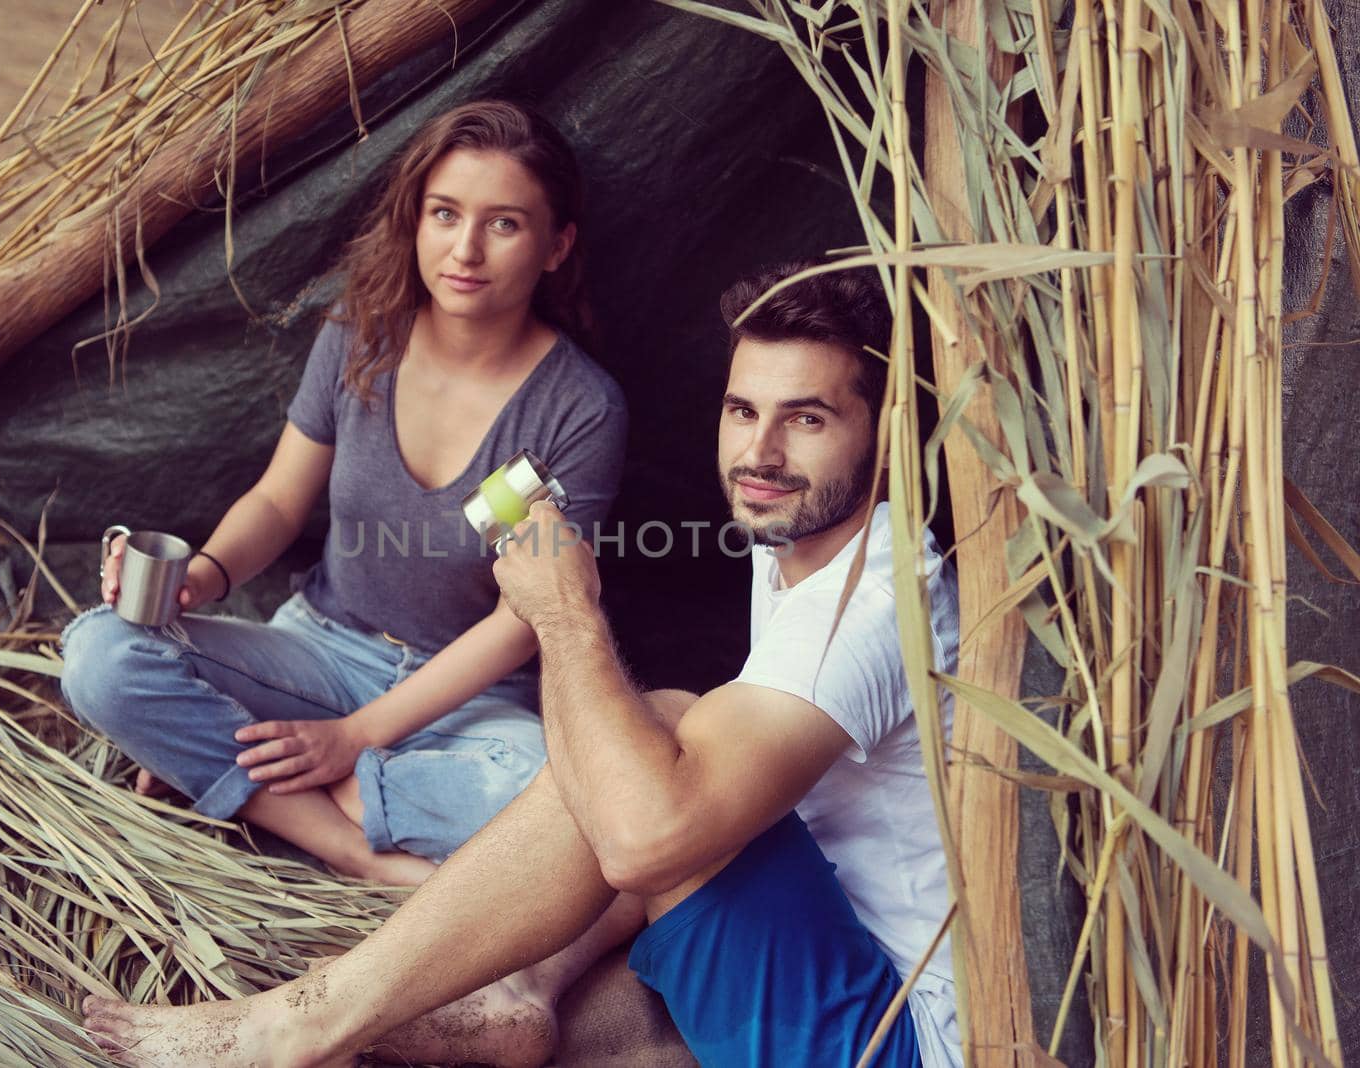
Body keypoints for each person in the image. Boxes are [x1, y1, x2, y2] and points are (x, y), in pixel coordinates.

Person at [81, 262, 961, 1068]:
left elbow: (643, 840)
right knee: (673, 726)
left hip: (885, 1038)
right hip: (825, 940)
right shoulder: (802, 549)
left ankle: (305, 1022)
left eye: (806, 418)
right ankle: (513, 995)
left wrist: (562, 609)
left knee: (654, 744)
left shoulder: (873, 601)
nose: (760, 454)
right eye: (742, 411)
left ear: (883, 431)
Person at [59, 99, 628, 887]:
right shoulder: (362, 333)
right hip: (319, 651)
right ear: (416, 219)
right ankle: (353, 848)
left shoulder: (580, 407)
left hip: (467, 700)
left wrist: (356, 737)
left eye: (504, 224)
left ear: (556, 245)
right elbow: (278, 501)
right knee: (100, 654)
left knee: (546, 789)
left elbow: (520, 625)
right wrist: (204, 575)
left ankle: (237, 780)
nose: (465, 249)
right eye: (444, 213)